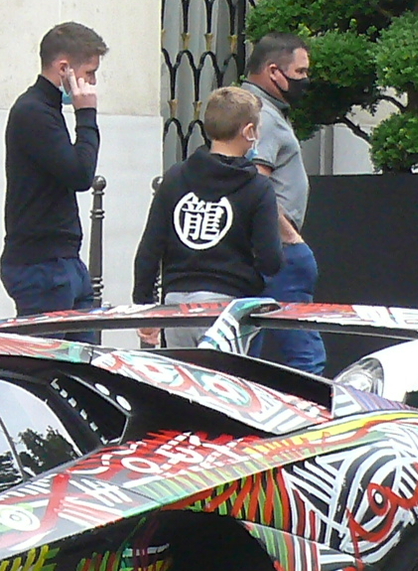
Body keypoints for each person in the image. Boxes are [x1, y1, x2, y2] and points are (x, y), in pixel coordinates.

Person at [133, 86, 284, 348]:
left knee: (180, 385)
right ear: (248, 132)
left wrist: (146, 307)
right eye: (256, 129)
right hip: (226, 307)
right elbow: (271, 260)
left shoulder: (175, 177)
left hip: (176, 306)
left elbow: (149, 249)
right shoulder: (257, 188)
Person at [1, 22, 108, 316]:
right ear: (64, 69)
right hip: (41, 266)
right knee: (52, 359)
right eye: (89, 73)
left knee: (83, 359)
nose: (93, 82)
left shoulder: (47, 109)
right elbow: (80, 174)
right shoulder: (33, 111)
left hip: (63, 259)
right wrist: (86, 113)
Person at [243, 32, 325, 372]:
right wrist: (290, 236)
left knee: (253, 347)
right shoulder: (260, 114)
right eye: (301, 72)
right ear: (274, 72)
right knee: (305, 355)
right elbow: (256, 181)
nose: (305, 80)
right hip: (277, 249)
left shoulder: (263, 110)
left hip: (266, 248)